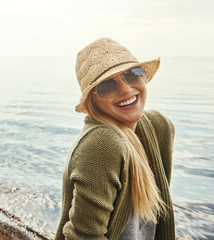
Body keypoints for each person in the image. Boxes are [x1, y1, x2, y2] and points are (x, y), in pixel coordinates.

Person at [55, 38, 175, 240]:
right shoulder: (101, 143)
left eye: (133, 74)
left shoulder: (158, 127)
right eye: (106, 86)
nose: (126, 90)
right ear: (93, 99)